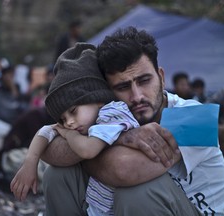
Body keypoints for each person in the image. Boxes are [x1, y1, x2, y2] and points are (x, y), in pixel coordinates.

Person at [11, 27, 224, 215]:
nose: (137, 96)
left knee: (139, 191)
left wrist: (91, 147)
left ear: (161, 77)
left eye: (144, 81)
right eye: (123, 87)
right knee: (59, 174)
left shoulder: (196, 118)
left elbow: (123, 170)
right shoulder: (112, 114)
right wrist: (122, 138)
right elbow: (50, 149)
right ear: (108, 91)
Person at [11, 43, 140, 215]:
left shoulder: (114, 113)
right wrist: (30, 163)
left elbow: (88, 150)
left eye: (73, 111)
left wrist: (67, 133)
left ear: (98, 97)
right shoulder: (82, 122)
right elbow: (46, 131)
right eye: (63, 119)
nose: (69, 123)